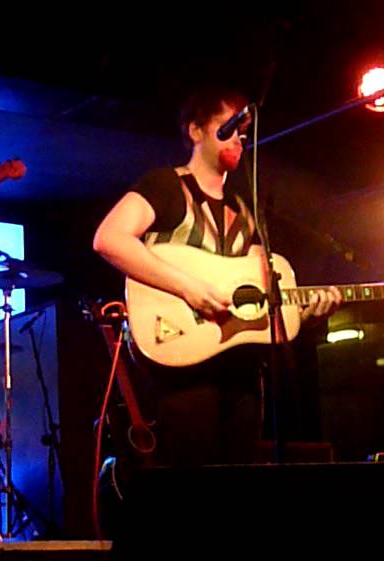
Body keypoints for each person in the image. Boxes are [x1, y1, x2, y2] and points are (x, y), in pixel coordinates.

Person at [93, 85, 340, 466]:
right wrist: (188, 287)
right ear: (196, 130)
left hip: (242, 373)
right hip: (179, 364)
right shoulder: (165, 185)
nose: (239, 138)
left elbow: (257, 304)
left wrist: (304, 312)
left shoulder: (245, 212)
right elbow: (109, 238)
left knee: (237, 482)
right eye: (228, 127)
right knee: (192, 481)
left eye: (243, 131)